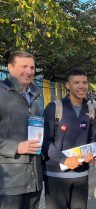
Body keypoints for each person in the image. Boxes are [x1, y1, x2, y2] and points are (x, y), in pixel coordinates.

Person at [42, 68, 96, 209]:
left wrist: (92, 155)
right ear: (67, 85)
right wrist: (65, 160)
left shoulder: (91, 111)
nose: (81, 86)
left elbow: (92, 140)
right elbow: (44, 141)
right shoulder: (54, 108)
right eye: (76, 82)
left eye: (84, 82)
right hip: (55, 175)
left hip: (81, 175)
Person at [0, 51, 43, 209]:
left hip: (34, 181)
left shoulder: (35, 95)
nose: (29, 71)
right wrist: (17, 147)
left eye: (32, 67)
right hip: (9, 183)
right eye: (23, 66)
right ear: (10, 67)